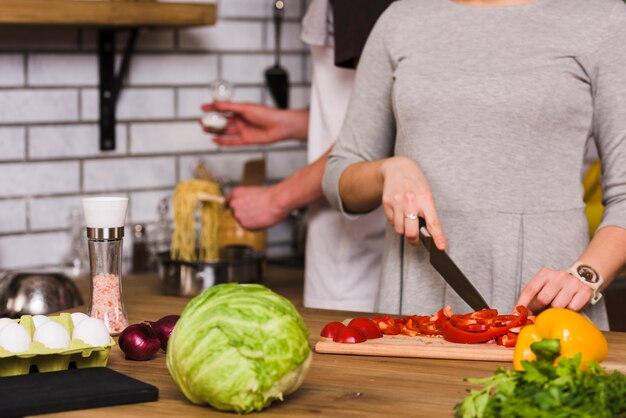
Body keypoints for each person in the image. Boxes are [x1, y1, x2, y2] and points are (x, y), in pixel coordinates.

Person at [322, 0, 626, 329]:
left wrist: (585, 276)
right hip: (414, 305)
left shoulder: (602, 19)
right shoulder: (401, 19)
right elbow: (340, 173)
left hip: (546, 311)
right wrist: (388, 171)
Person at [200, 0, 393, 312]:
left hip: (361, 262)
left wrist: (276, 199)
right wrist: (288, 124)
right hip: (345, 255)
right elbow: (367, 112)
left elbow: (383, 128)